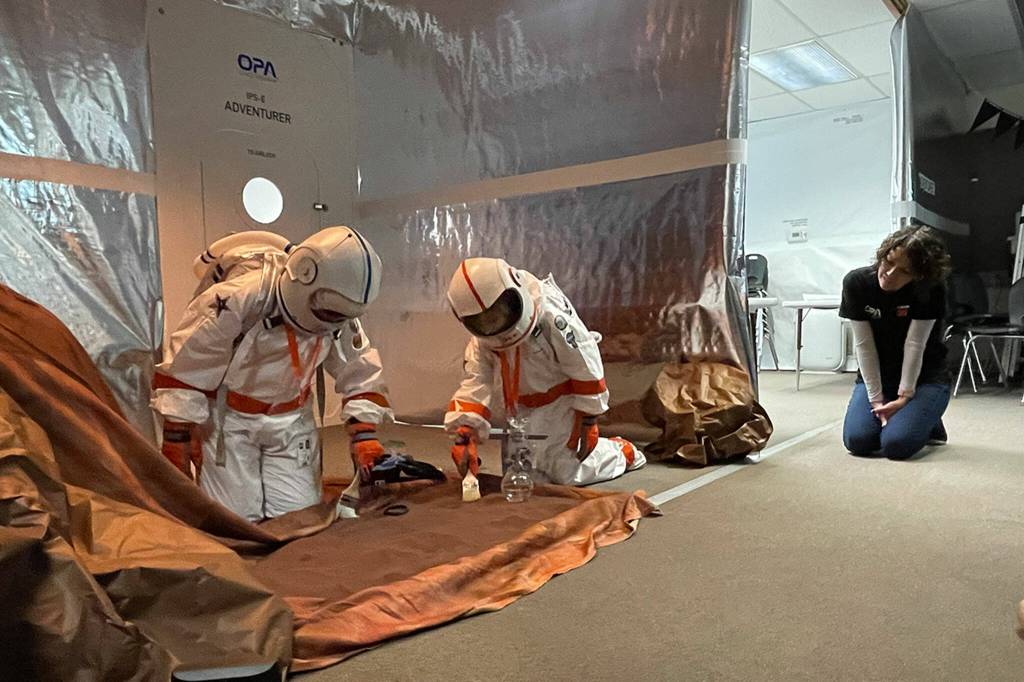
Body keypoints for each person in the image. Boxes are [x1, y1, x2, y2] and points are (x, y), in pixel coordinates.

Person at [151, 226, 393, 521]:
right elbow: (188, 364)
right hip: (230, 425)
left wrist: (364, 434)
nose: (329, 324)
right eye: (329, 314)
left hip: (292, 424)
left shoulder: (339, 311)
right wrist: (177, 433)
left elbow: (359, 368)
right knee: (236, 522)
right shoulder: (238, 299)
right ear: (304, 278)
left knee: (299, 518)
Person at [444, 257, 645, 485]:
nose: (494, 325)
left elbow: (582, 358)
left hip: (561, 401)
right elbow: (476, 381)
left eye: (498, 313)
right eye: (485, 321)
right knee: (522, 474)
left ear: (513, 291)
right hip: (518, 409)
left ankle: (621, 452)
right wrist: (465, 432)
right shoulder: (483, 341)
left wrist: (589, 416)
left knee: (566, 473)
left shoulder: (550, 313)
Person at [839, 225, 952, 460]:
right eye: (888, 263)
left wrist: (904, 396)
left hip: (925, 378)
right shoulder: (857, 283)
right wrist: (876, 398)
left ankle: (925, 415)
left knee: (896, 445)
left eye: (903, 271)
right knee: (858, 441)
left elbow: (915, 345)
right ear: (882, 255)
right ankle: (915, 415)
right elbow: (863, 346)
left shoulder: (930, 289)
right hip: (881, 376)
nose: (890, 274)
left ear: (918, 275)